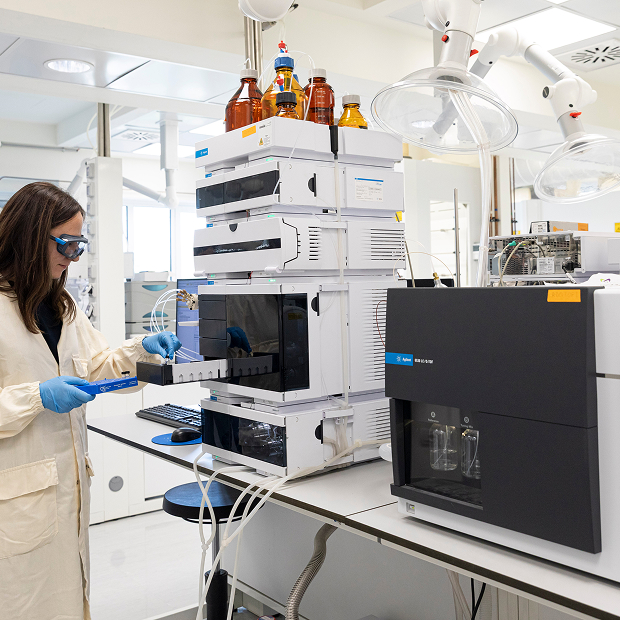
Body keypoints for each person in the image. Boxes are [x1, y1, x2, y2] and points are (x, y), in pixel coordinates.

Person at [0, 182, 181, 620]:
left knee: (66, 598)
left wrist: (140, 350)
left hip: (67, 492)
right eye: (66, 244)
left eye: (80, 245)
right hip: (16, 498)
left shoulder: (61, 306)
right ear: (30, 235)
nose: (73, 257)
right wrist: (37, 397)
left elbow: (97, 365)